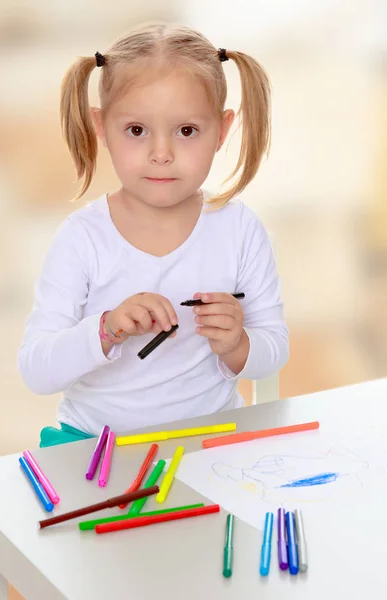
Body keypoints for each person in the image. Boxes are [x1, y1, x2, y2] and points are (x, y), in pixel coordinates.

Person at [18, 22, 289, 447]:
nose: (161, 154)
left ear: (222, 130)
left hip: (208, 439)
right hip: (93, 445)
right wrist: (105, 330)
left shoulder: (240, 230)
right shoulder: (82, 239)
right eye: (137, 130)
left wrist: (238, 344)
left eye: (186, 131)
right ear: (101, 127)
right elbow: (35, 369)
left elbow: (274, 348)